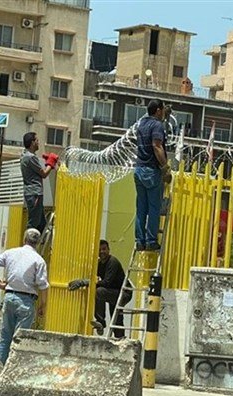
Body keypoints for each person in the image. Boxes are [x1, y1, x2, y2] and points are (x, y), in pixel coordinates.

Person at [0, 228, 49, 364]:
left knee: (5, 337)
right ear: (38, 243)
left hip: (9, 297)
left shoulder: (11, 253)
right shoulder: (39, 260)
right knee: (19, 340)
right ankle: (12, 370)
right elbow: (43, 285)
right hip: (26, 301)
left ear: (24, 239)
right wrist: (43, 305)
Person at [134, 99, 171, 251]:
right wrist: (165, 167)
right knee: (154, 208)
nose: (163, 113)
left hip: (139, 169)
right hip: (151, 171)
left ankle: (139, 241)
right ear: (157, 110)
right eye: (162, 110)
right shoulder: (157, 125)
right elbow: (157, 146)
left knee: (141, 208)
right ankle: (151, 240)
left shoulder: (141, 125)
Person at [91, 240, 132, 337]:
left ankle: (101, 322)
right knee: (116, 317)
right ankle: (120, 337)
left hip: (124, 293)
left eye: (104, 249)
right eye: (100, 250)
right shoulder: (99, 264)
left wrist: (95, 282)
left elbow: (106, 282)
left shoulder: (112, 262)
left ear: (109, 250)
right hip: (113, 291)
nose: (102, 252)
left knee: (100, 292)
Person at [20, 131, 58, 234]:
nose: (38, 143)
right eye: (37, 140)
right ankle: (28, 244)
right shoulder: (30, 157)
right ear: (32, 143)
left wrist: (47, 163)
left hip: (32, 193)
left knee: (41, 223)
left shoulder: (24, 155)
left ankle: (37, 243)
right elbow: (44, 174)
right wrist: (51, 162)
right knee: (33, 222)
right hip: (35, 193)